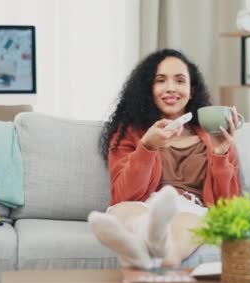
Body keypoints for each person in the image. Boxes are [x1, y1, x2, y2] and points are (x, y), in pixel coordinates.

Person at [88, 49, 241, 269]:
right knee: (124, 211)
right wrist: (147, 147)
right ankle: (147, 237)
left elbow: (230, 208)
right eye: (160, 81)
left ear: (192, 89)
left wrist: (220, 155)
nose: (171, 87)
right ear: (148, 88)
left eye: (180, 80)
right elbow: (123, 195)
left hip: (192, 210)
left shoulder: (214, 135)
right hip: (142, 206)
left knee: (180, 234)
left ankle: (154, 251)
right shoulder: (128, 132)